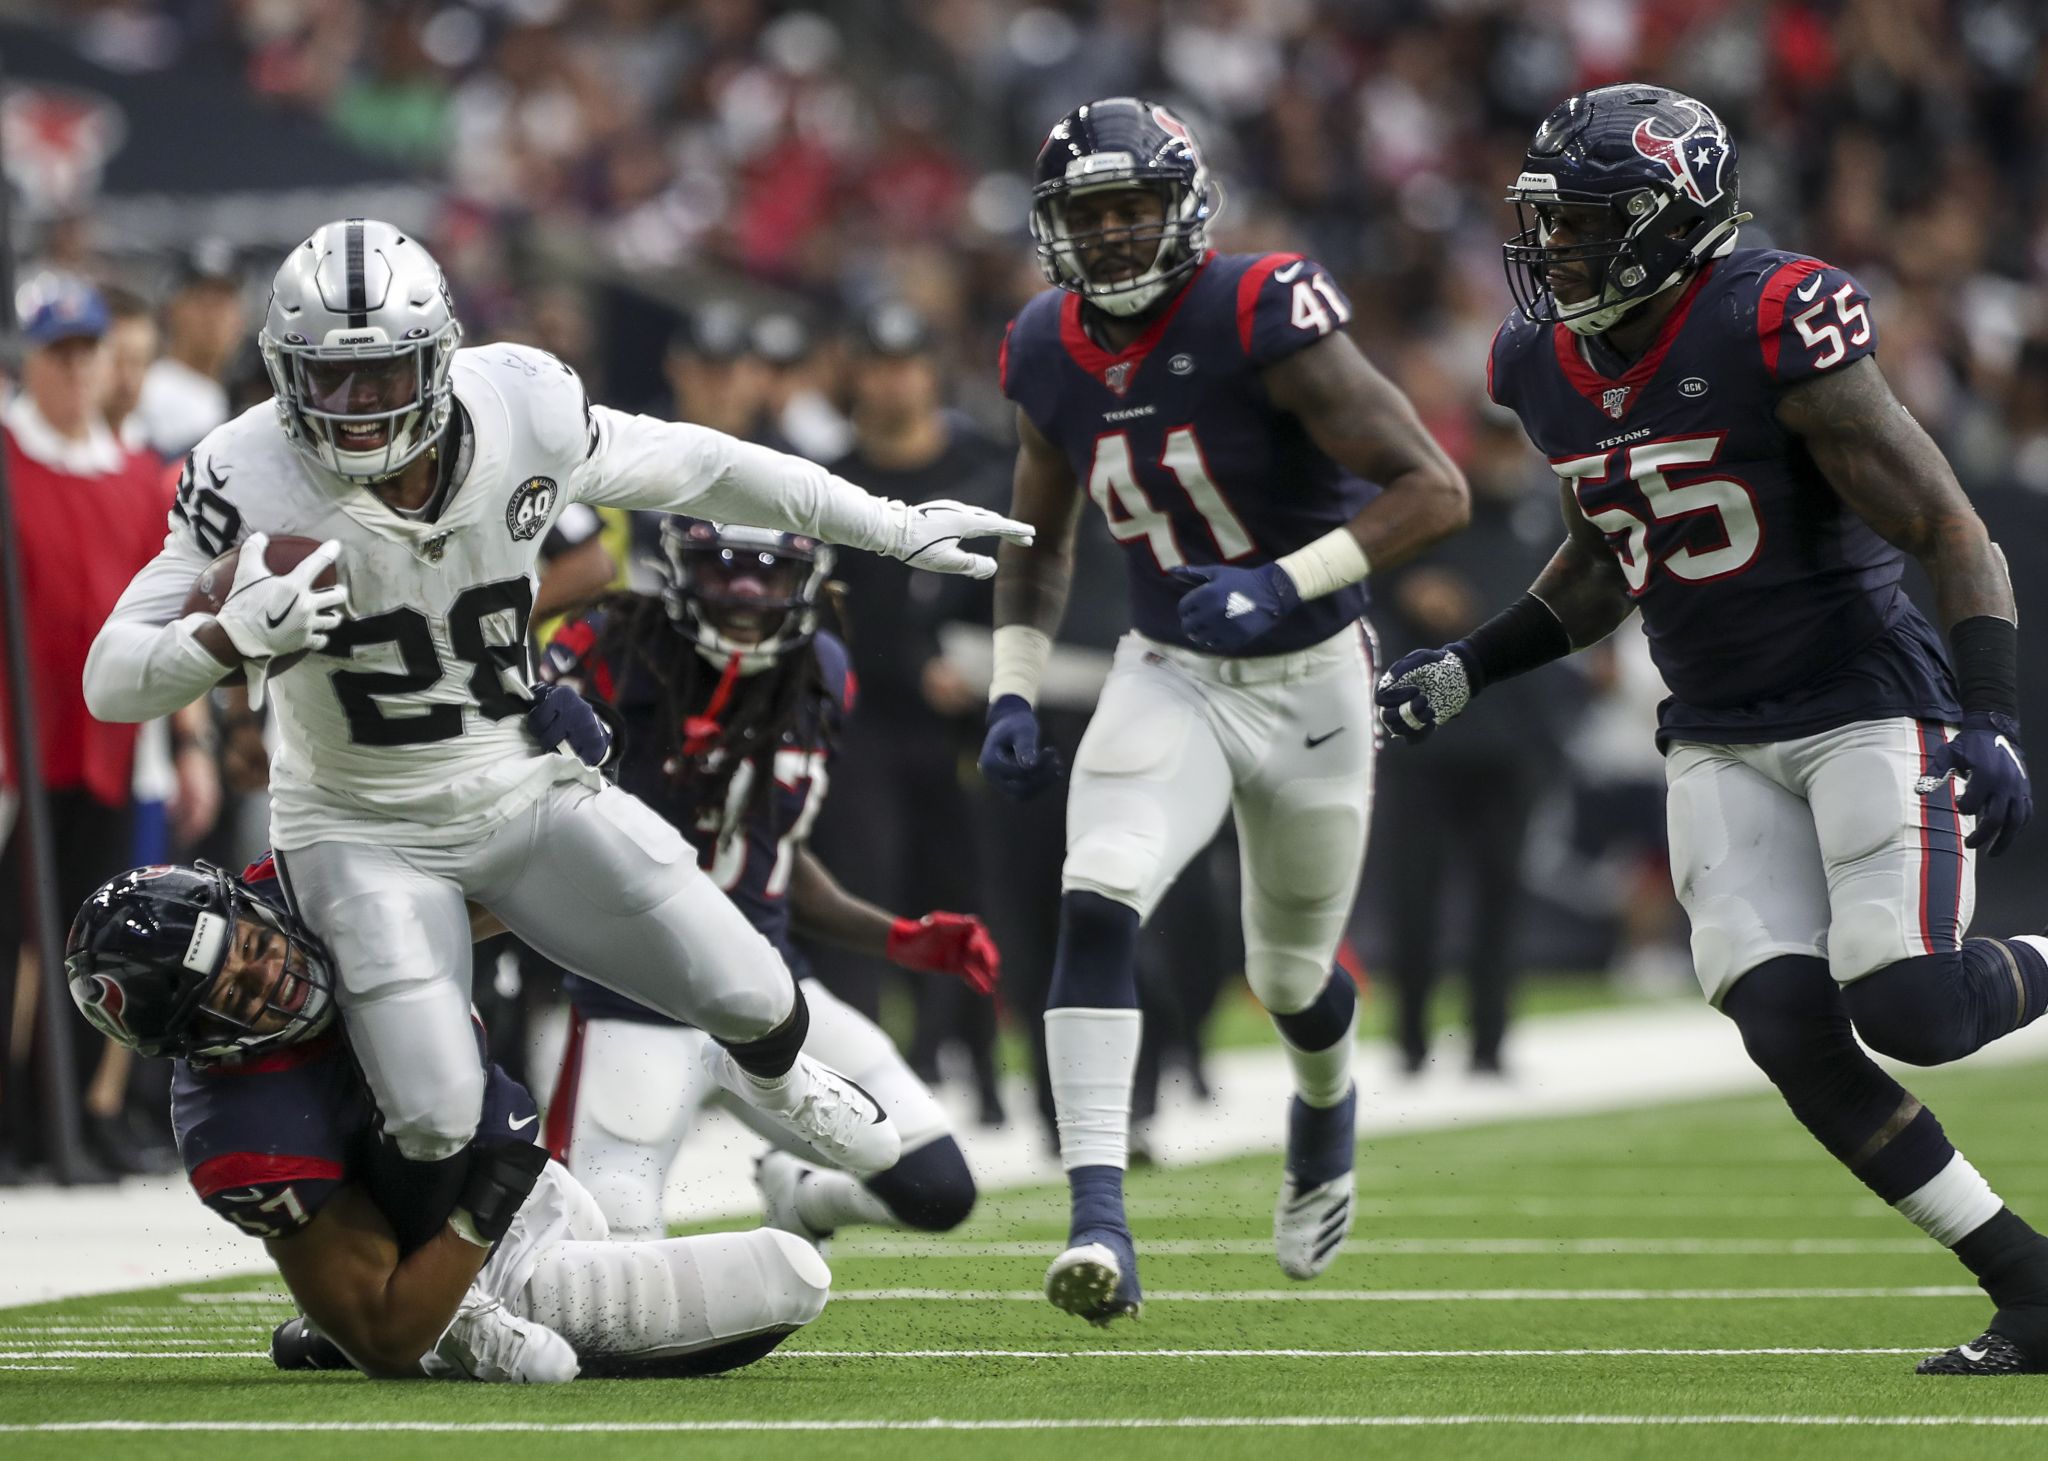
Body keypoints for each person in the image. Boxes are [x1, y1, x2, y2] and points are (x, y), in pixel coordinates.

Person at [83, 219, 1030, 1257]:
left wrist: (885, 526)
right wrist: (220, 637)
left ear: (438, 358)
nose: (356, 409)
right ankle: (389, 1288)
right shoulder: (244, 469)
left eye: (382, 374)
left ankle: (787, 1088)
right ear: (282, 373)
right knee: (439, 1113)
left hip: (519, 783)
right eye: (329, 379)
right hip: (357, 822)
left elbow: (700, 467)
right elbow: (109, 678)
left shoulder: (521, 408)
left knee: (753, 988)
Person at [1376, 83, 2048, 1377]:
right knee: (1786, 1025)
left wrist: (1995, 712)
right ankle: (2025, 1277)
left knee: (1912, 1007)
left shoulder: (1772, 316)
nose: (1553, 250)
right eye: (1548, 225)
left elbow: (1947, 523)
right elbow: (1605, 552)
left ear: (1664, 221)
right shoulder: (1542, 363)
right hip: (1715, 727)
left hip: (1861, 699)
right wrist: (1470, 667)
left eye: (1582, 225)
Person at [980, 98, 1468, 1323]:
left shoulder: (1258, 310)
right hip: (1170, 673)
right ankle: (1098, 1222)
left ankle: (1324, 1109)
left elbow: (1436, 489)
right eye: (1084, 213)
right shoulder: (1042, 343)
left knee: (1290, 975)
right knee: (1096, 892)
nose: (1107, 232)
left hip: (1309, 681)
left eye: (1128, 206)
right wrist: (1012, 690)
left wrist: (1281, 580)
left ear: (1182, 208)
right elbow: (1039, 539)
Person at [65, 859, 830, 1382]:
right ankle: (454, 1330)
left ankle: (329, 1323)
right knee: (788, 1278)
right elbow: (389, 1337)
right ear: (202, 1043)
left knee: (588, 1216)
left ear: (256, 904)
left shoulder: (317, 878)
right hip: (454, 1267)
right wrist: (481, 1204)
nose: (270, 975)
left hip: (536, 1193)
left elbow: (522, 889)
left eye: (255, 946)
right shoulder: (239, 1128)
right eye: (233, 995)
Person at [540, 518, 996, 1244]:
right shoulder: (614, 646)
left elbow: (765, 851)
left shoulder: (824, 670)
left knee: (936, 1186)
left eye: (767, 574)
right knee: (606, 1251)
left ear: (805, 580)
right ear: (680, 569)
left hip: (774, 996)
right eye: (723, 570)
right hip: (636, 996)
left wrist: (894, 936)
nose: (745, 593)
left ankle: (805, 1197)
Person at [0, 274, 187, 1180]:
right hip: (17, 746)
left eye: (86, 354)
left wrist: (180, 739)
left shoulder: (127, 474)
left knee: (88, 936)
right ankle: (14, 1123)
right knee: (8, 938)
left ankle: (66, 1119)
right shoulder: (8, 455)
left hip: (107, 744)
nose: (75, 373)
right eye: (58, 355)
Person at [806, 302, 1009, 1121]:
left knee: (969, 889)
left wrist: (988, 669)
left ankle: (986, 1072)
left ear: (931, 370)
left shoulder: (987, 469)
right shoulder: (826, 480)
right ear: (854, 372)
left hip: (967, 720)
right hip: (863, 724)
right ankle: (860, 1085)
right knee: (864, 894)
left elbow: (1033, 586)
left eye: (907, 362)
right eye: (877, 363)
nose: (893, 380)